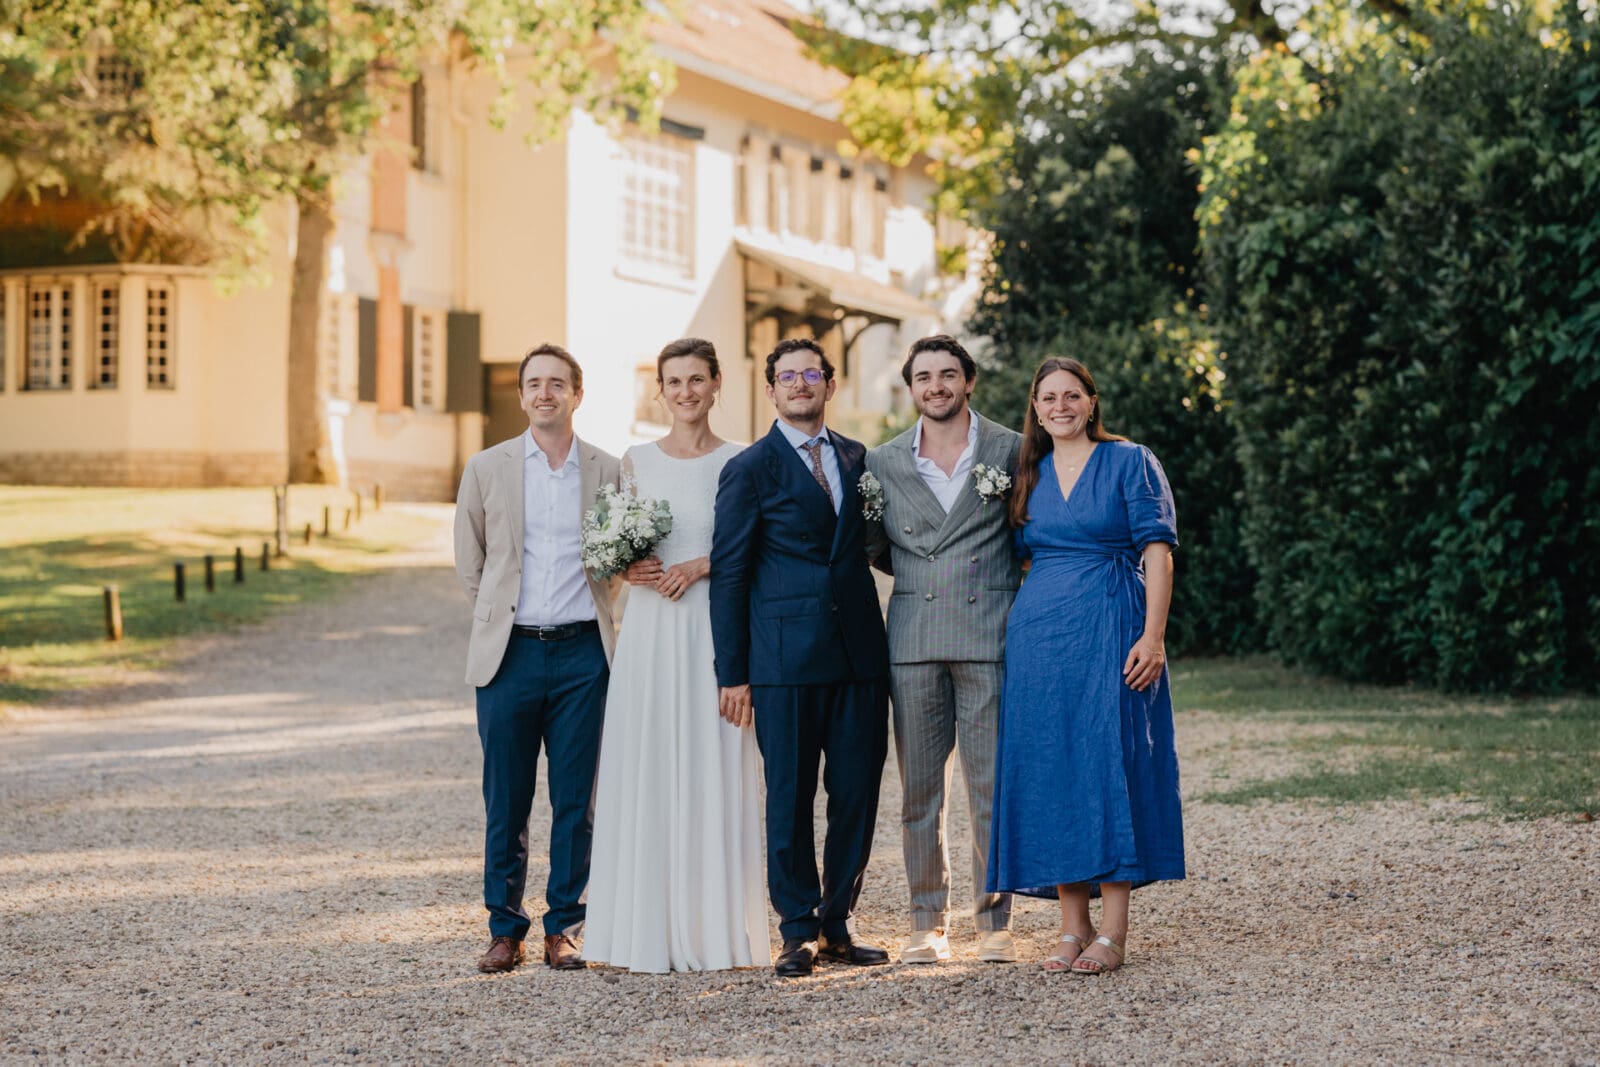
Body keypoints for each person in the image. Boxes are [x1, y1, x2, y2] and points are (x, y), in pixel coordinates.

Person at [986, 356, 1184, 976]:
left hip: (1113, 625)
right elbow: (1020, 557)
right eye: (1049, 398)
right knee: (1051, 765)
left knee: (1110, 760)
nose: (1061, 406)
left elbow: (1157, 550)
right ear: (1036, 409)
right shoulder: (1029, 474)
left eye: (1073, 395)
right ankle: (1072, 926)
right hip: (1041, 637)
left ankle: (1115, 932)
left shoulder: (1131, 461)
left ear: (1092, 403)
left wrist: (1153, 635)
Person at [709, 337, 892, 978]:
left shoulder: (855, 455)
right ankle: (796, 930)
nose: (799, 384)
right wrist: (733, 672)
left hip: (861, 656)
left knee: (857, 794)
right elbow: (730, 574)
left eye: (810, 374)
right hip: (784, 661)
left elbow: (871, 544)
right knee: (788, 797)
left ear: (828, 384)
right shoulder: (750, 468)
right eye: (786, 376)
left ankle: (838, 922)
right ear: (770, 391)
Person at [584, 339, 769, 973]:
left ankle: (715, 929)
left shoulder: (743, 460)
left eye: (697, 379)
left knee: (713, 758)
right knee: (649, 762)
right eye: (674, 381)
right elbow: (612, 545)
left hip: (711, 625)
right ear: (659, 390)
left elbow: (759, 547)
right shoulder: (635, 461)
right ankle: (641, 927)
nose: (686, 391)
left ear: (718, 384)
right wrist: (626, 562)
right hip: (651, 631)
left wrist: (702, 564)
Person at [453, 343, 622, 974]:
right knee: (508, 799)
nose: (544, 393)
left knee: (577, 801)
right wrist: (501, 617)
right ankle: (505, 927)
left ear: (578, 394)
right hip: (510, 656)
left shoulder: (608, 470)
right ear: (522, 396)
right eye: (534, 383)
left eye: (557, 383)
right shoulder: (488, 467)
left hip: (584, 656)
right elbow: (470, 560)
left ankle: (564, 925)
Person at [863, 335, 1023, 965]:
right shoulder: (882, 462)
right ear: (911, 388)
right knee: (920, 793)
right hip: (915, 638)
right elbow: (874, 547)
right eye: (924, 377)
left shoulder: (1012, 447)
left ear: (968, 381)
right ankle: (927, 921)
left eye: (948, 374)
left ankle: (994, 923)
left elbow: (1027, 532)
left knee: (990, 786)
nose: (936, 386)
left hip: (991, 634)